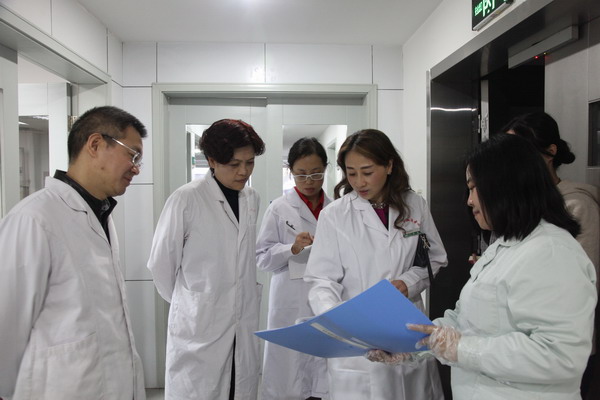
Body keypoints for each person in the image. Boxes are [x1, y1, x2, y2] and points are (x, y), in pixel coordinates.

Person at [374, 133, 597, 399]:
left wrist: (461, 348)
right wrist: (411, 343)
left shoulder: (551, 251)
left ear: (505, 186)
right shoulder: (505, 245)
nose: (469, 201)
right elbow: (465, 319)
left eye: (473, 188)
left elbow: (560, 356)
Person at [0, 106, 147, 399]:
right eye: (132, 155)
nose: (136, 168)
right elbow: (6, 327)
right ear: (95, 144)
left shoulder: (100, 215)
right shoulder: (34, 219)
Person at [303, 129, 447, 400]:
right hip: (358, 338)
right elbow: (321, 280)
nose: (359, 182)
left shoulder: (415, 205)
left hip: (406, 328)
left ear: (389, 165)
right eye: (351, 173)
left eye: (367, 172)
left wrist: (408, 283)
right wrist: (339, 320)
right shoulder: (335, 215)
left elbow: (435, 258)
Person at [147, 119, 265, 400]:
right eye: (234, 164)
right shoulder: (186, 199)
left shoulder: (251, 198)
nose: (244, 171)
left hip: (241, 323)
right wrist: (191, 303)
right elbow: (161, 265)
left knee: (238, 386)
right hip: (199, 328)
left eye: (250, 162)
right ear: (212, 161)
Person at [502, 111, 600, 398]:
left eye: (521, 150)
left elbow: (584, 283)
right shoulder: (517, 205)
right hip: (517, 342)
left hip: (561, 346)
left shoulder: (578, 205)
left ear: (551, 152)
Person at [256, 137, 331, 400]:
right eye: (301, 174)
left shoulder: (335, 208)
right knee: (289, 370)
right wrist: (292, 248)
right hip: (290, 297)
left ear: (326, 169)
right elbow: (262, 258)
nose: (309, 181)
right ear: (290, 172)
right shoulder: (279, 208)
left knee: (322, 369)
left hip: (327, 294)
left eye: (316, 174)